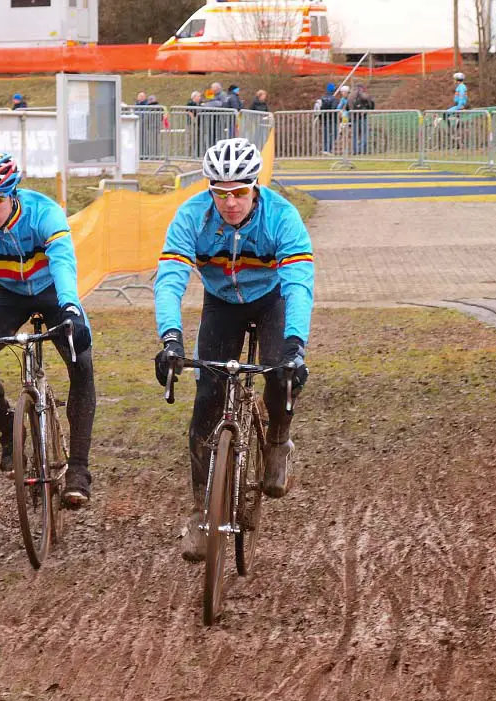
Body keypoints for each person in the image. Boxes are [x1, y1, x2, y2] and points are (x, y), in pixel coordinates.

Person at [152, 138, 315, 562]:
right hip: (221, 302)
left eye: (239, 192)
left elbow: (299, 285)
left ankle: (277, 441)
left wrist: (296, 345)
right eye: (220, 192)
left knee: (280, 374)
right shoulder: (192, 216)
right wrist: (170, 339)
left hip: (271, 300)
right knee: (205, 403)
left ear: (255, 187)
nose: (230, 203)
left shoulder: (281, 216)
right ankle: (203, 515)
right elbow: (169, 278)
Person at [0, 153, 97, 508]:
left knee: (81, 360)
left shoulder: (44, 213)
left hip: (52, 292)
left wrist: (71, 310)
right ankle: (7, 426)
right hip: (10, 296)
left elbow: (63, 262)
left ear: (13, 194)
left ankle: (78, 468)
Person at [349, 83, 374, 154]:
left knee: (355, 135)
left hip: (353, 117)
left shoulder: (350, 95)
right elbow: (368, 100)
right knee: (366, 133)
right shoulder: (361, 93)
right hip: (362, 117)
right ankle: (360, 148)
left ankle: (355, 150)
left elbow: (347, 107)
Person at [318, 82, 338, 154]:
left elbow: (318, 108)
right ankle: (328, 149)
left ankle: (325, 149)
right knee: (335, 134)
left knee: (325, 135)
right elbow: (334, 109)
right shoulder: (334, 99)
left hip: (324, 119)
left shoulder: (322, 98)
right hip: (332, 120)